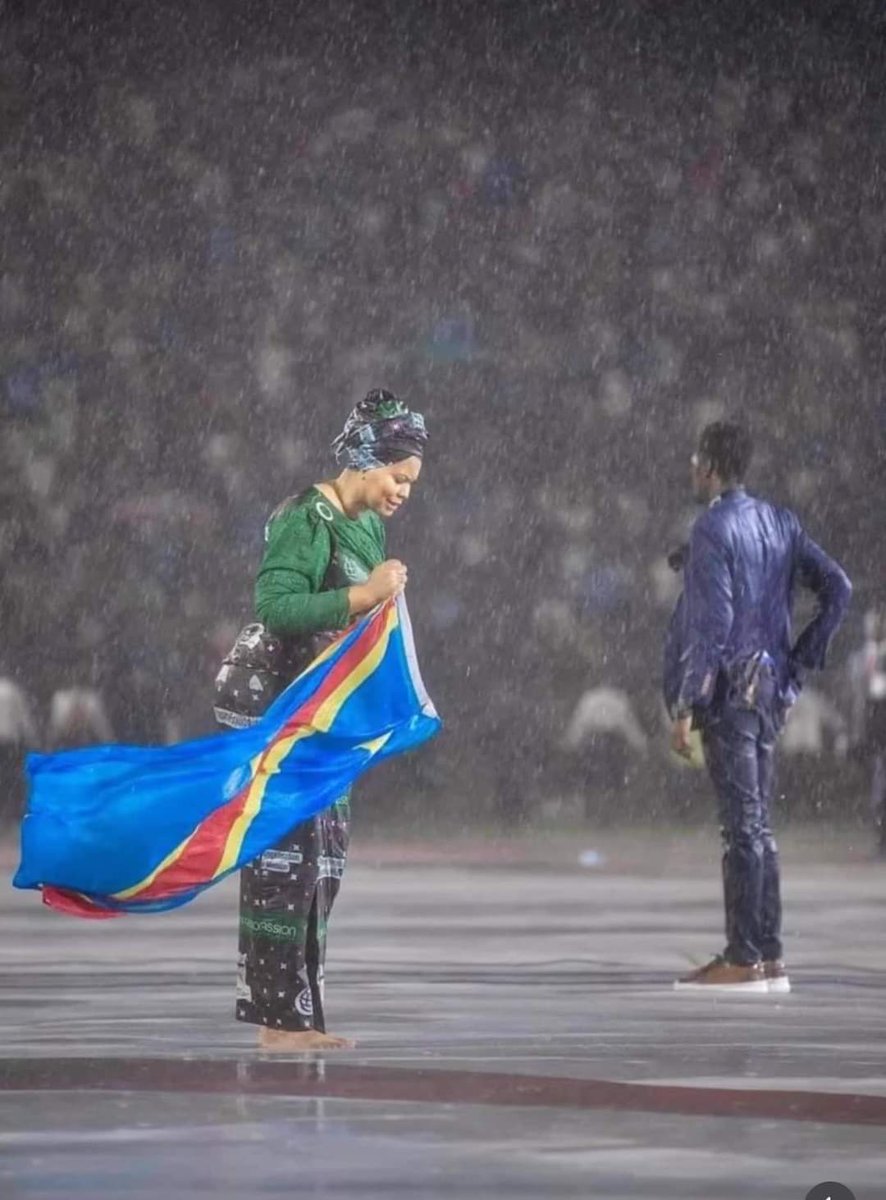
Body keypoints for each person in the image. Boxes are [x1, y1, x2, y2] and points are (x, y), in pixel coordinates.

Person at [223, 388, 427, 1050]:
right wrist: (363, 594)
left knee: (324, 857)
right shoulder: (305, 518)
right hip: (273, 700)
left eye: (410, 482)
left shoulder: (367, 525)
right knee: (286, 856)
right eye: (398, 476)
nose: (403, 491)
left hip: (321, 711)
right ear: (367, 459)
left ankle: (299, 1014)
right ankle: (276, 1024)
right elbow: (276, 606)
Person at [667, 421, 851, 993]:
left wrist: (688, 703)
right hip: (770, 692)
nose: (692, 468)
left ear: (710, 466)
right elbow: (838, 588)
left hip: (730, 694)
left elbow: (715, 624)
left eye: (697, 458)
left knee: (741, 828)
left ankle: (744, 955)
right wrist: (799, 661)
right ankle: (767, 953)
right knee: (759, 825)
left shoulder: (713, 529)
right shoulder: (779, 522)